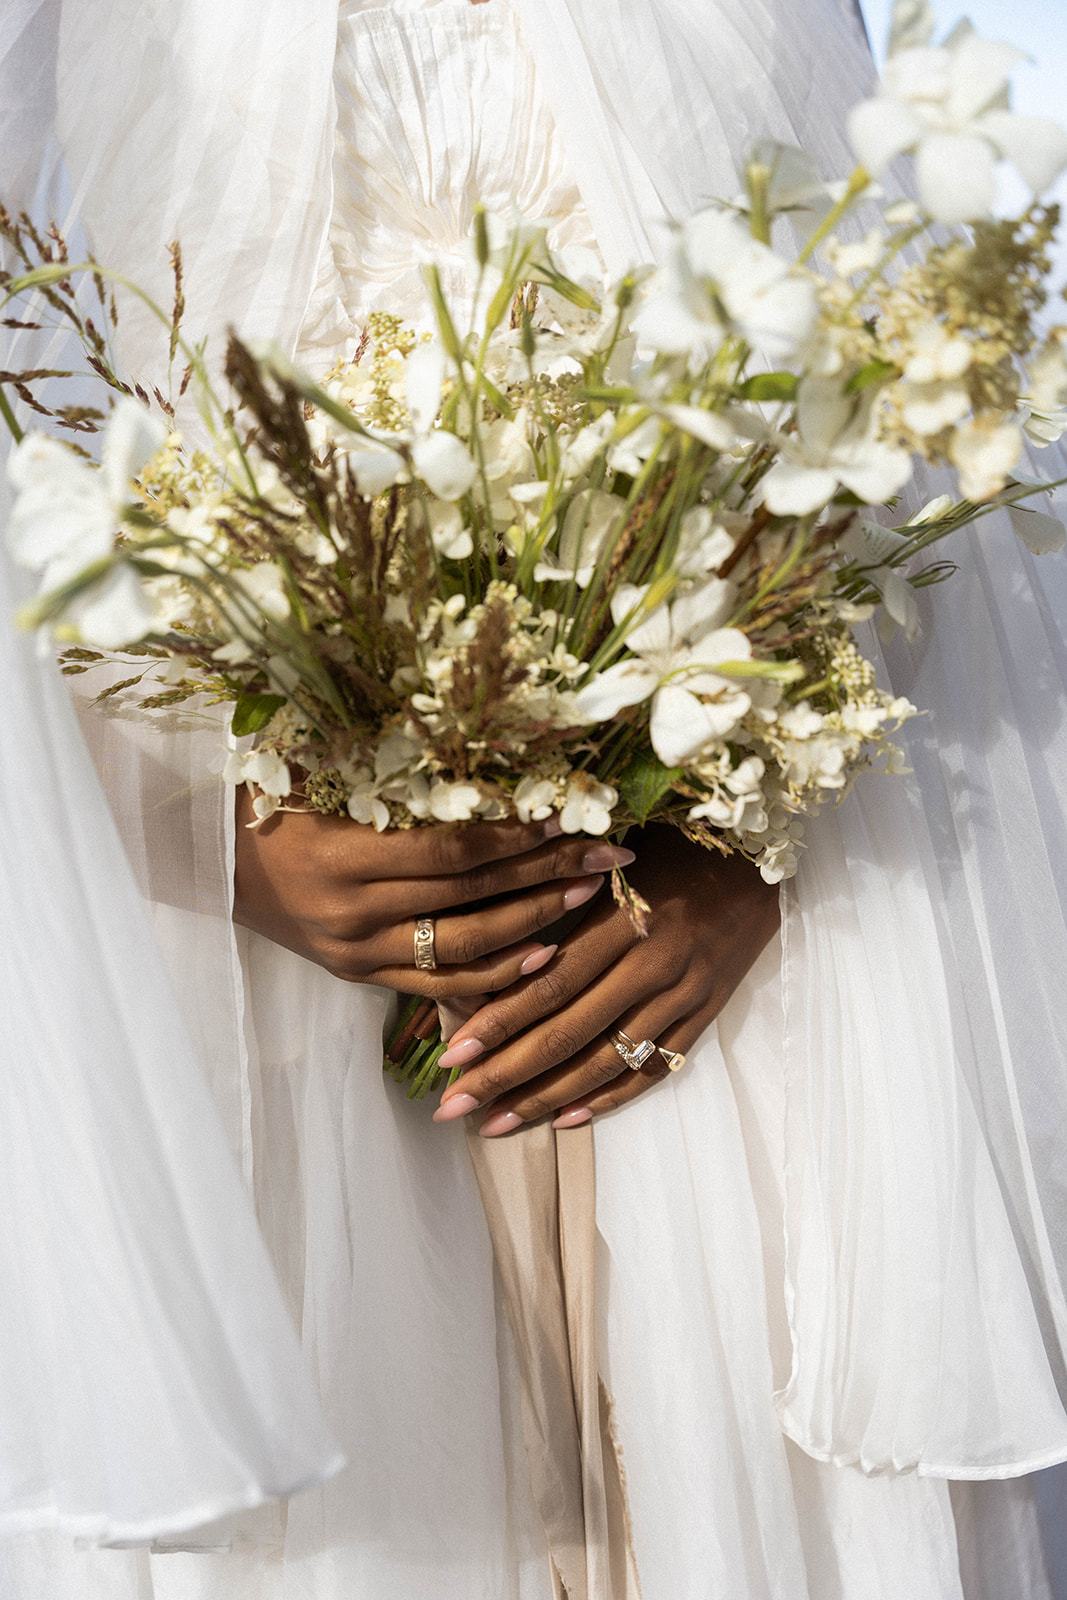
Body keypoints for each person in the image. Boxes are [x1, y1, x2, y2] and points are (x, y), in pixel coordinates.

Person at [2, 0, 1067, 1595]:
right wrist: (207, 846)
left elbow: (886, 425)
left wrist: (768, 864)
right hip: (263, 976)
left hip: (718, 975)